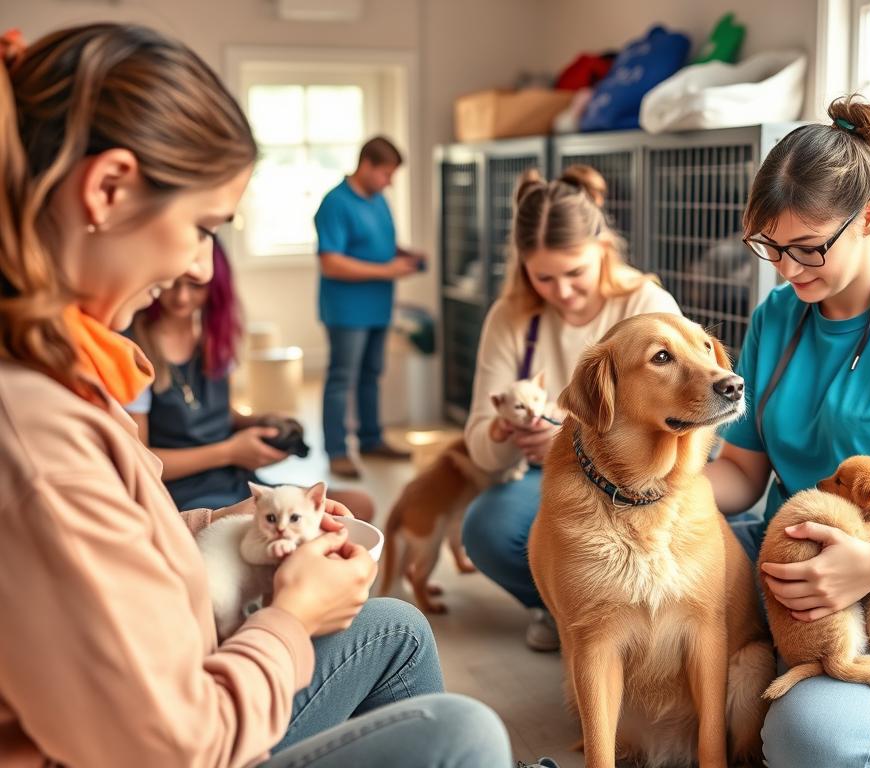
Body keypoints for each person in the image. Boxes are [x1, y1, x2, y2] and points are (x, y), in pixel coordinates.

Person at [0, 23, 512, 768]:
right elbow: (174, 746)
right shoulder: (37, 428)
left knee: (395, 627)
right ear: (108, 189)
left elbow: (111, 538)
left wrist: (226, 520)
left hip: (182, 665)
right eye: (202, 229)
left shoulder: (71, 371)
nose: (204, 271)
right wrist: (293, 619)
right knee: (467, 733)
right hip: (183, 740)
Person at [704, 96, 870, 768]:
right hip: (795, 572)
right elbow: (741, 472)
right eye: (771, 247)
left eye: (808, 247)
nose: (787, 270)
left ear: (868, 218)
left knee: (808, 738)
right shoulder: (777, 317)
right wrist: (652, 496)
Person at [461, 167, 682, 651]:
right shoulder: (510, 318)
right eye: (543, 278)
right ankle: (561, 606)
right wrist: (502, 428)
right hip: (547, 477)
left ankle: (633, 622)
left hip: (635, 479)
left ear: (602, 248)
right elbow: (482, 448)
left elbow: (679, 420)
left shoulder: (646, 303)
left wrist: (567, 432)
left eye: (574, 273)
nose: (561, 292)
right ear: (522, 267)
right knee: (487, 529)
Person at [125, 238, 374, 521]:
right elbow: (140, 460)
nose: (182, 297)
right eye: (172, 283)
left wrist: (258, 423)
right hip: (187, 495)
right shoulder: (135, 352)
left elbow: (219, 413)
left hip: (237, 480)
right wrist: (229, 452)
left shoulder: (213, 338)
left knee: (357, 506)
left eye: (195, 285)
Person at [314, 136, 424, 479]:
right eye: (386, 174)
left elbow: (381, 246)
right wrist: (387, 270)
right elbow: (330, 262)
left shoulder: (379, 201)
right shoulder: (335, 203)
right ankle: (336, 451)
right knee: (341, 378)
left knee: (371, 375)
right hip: (347, 310)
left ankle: (371, 439)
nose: (389, 181)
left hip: (378, 306)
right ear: (366, 166)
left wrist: (405, 256)